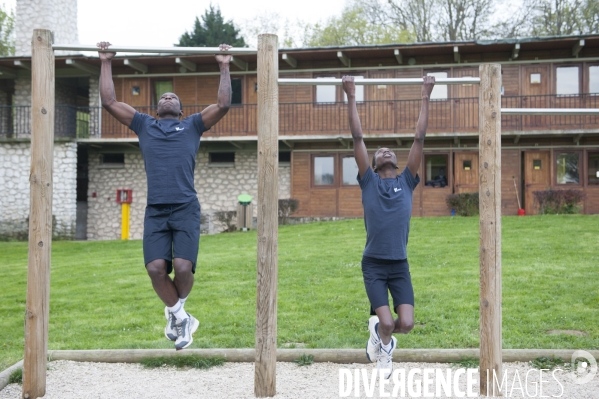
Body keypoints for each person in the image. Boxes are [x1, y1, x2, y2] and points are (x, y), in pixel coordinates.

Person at [97, 41, 233, 350]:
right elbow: (109, 101)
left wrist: (224, 64)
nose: (168, 95)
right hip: (156, 210)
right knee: (155, 269)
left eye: (173, 95)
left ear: (181, 110)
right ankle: (181, 317)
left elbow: (223, 104)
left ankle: (176, 313)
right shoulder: (145, 125)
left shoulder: (193, 125)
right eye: (163, 96)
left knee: (183, 268)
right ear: (157, 110)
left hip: (185, 207)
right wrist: (106, 61)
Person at [341, 75, 435, 378]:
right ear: (374, 160)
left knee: (405, 324)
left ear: (396, 160)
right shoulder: (368, 181)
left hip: (399, 265)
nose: (385, 151)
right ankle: (382, 349)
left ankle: (381, 340)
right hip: (374, 264)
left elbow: (419, 138)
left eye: (389, 151)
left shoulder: (407, 181)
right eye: (379, 151)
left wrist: (425, 94)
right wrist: (351, 95)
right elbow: (357, 138)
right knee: (386, 323)